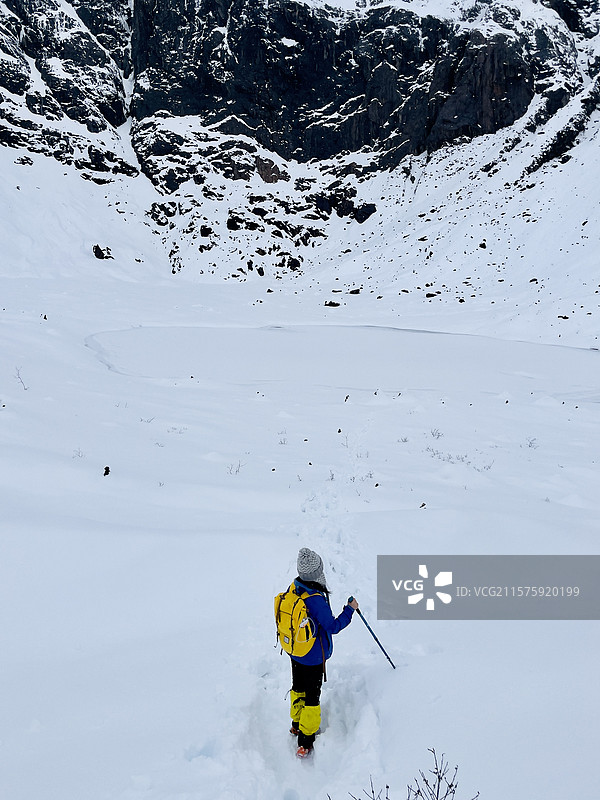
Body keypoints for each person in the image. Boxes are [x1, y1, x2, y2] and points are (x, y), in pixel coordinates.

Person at [288, 547, 359, 758]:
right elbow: (332, 626)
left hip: (295, 651)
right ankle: (305, 740)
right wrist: (350, 610)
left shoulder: (295, 587)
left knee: (298, 688)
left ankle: (296, 724)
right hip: (313, 657)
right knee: (312, 696)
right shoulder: (315, 599)